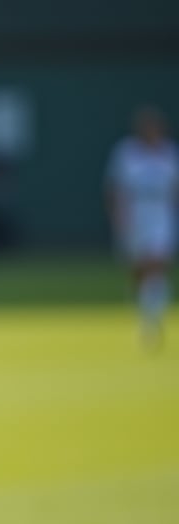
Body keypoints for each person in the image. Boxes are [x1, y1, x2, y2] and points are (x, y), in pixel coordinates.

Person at [105, 104, 179, 348]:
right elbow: (116, 188)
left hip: (161, 213)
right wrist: (119, 216)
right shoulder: (127, 153)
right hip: (136, 213)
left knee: (157, 263)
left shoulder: (169, 154)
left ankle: (152, 322)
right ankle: (146, 309)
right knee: (139, 270)